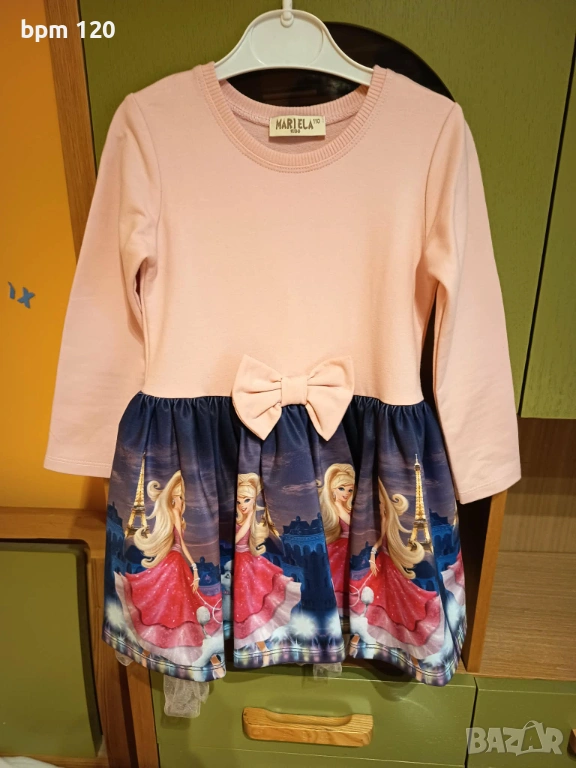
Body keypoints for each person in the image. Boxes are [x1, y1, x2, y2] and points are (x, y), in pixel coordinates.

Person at [115, 470, 222, 669]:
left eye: (182, 497)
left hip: (175, 561)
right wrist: (194, 568)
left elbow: (181, 545)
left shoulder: (177, 515)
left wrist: (193, 568)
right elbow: (182, 545)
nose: (181, 501)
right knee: (175, 602)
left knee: (170, 603)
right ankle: (171, 649)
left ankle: (152, 650)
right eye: (178, 496)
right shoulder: (174, 513)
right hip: (174, 562)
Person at [350, 478, 444, 659]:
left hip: (390, 564)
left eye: (381, 503)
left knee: (394, 600)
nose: (380, 506)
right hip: (383, 561)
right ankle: (363, 637)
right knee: (377, 599)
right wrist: (372, 557)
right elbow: (378, 543)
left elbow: (381, 541)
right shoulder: (386, 521)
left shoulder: (388, 521)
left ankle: (407, 647)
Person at [234, 473, 301, 665]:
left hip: (250, 563)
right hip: (243, 563)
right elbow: (238, 540)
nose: (242, 505)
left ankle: (264, 649)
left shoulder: (250, 520)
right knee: (248, 608)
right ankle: (258, 648)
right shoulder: (242, 520)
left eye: (247, 500)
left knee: (257, 604)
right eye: (239, 501)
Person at [317, 463, 355, 615]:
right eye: (341, 488)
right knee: (338, 575)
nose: (346, 493)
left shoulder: (347, 507)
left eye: (350, 490)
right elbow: (352, 525)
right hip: (342, 547)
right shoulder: (337, 507)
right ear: (332, 489)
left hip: (350, 545)